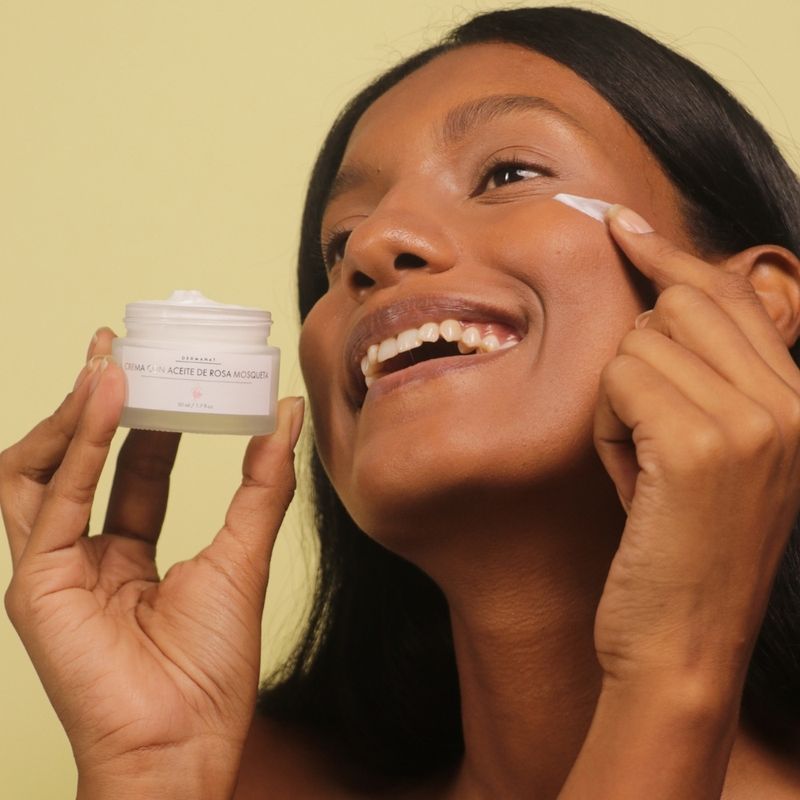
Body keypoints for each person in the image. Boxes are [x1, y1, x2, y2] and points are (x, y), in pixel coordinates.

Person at [3, 6, 800, 798]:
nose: (374, 245)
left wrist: (680, 658)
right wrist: (150, 770)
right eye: (338, 242)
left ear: (757, 305)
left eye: (508, 174)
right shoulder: (216, 776)